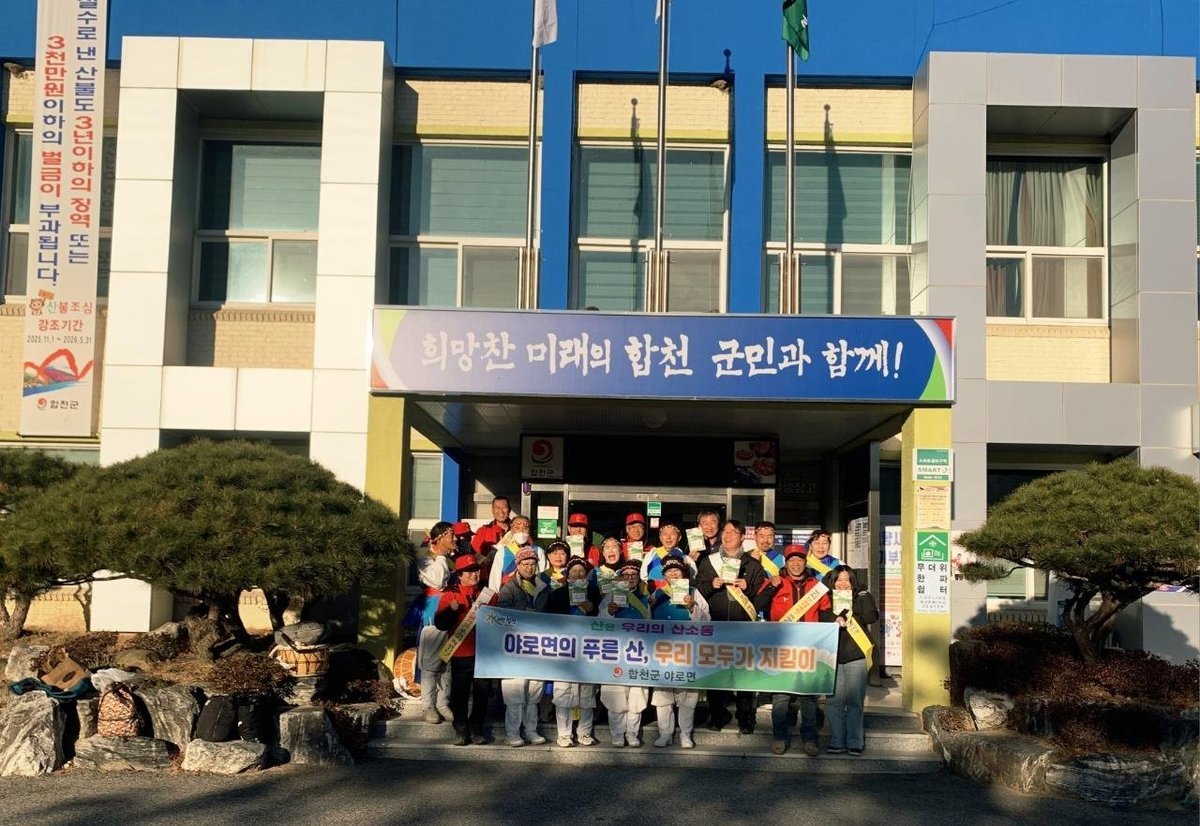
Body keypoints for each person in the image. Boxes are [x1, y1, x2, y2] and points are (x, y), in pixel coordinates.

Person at [695, 519, 771, 734]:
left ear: (742, 537)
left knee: (744, 673)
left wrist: (749, 587)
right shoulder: (709, 562)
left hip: (743, 627)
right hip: (716, 625)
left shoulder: (752, 564)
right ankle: (718, 714)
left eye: (733, 532)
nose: (727, 535)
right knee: (715, 672)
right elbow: (697, 589)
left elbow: (763, 597)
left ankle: (745, 717)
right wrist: (711, 585)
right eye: (725, 531)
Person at [767, 544, 832, 756]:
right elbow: (758, 605)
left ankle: (810, 738)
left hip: (809, 649)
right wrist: (770, 587)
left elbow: (826, 613)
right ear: (786, 563)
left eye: (800, 560)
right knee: (781, 697)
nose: (796, 564)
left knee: (808, 697)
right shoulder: (776, 582)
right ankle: (779, 736)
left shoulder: (817, 587)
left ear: (806, 562)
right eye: (792, 560)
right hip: (782, 649)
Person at [432, 554, 497, 745]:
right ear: (459, 575)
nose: (474, 574)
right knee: (459, 694)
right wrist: (451, 610)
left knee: (482, 694)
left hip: (485, 654)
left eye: (476, 570)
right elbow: (440, 624)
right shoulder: (450, 595)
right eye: (468, 572)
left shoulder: (489, 595)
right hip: (461, 653)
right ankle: (460, 729)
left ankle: (477, 728)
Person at [649, 556, 709, 748]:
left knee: (687, 696)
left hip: (687, 650)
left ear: (684, 574)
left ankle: (685, 734)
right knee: (663, 695)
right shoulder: (657, 594)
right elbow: (645, 619)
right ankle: (665, 733)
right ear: (664, 575)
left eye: (677, 570)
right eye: (669, 571)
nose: (673, 574)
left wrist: (692, 606)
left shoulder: (694, 592)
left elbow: (706, 620)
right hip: (662, 651)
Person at [819, 565, 878, 756]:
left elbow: (871, 617)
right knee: (834, 702)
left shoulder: (860, 597)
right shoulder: (825, 598)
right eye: (839, 579)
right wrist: (834, 618)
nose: (843, 583)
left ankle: (855, 741)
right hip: (832, 656)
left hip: (856, 655)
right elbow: (818, 617)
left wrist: (863, 594)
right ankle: (837, 740)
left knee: (855, 702)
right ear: (832, 582)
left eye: (847, 579)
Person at [496, 548, 551, 746]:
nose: (529, 567)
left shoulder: (545, 587)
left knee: (534, 693)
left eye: (532, 564)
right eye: (525, 564)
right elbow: (502, 610)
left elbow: (552, 613)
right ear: (517, 565)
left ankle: (531, 730)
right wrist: (525, 611)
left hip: (538, 647)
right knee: (515, 693)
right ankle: (512, 732)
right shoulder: (509, 586)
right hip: (515, 647)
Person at [546, 557, 602, 747]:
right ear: (567, 574)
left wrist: (591, 609)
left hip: (588, 650)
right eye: (574, 571)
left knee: (587, 693)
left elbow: (604, 619)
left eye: (581, 571)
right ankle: (564, 733)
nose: (578, 574)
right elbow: (550, 620)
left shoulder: (594, 592)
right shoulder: (558, 594)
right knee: (563, 692)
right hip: (564, 649)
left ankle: (584, 732)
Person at [597, 560, 652, 746]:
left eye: (633, 575)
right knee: (615, 696)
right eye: (626, 575)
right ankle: (617, 734)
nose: (629, 578)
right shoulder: (611, 597)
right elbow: (599, 621)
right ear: (620, 578)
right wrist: (609, 611)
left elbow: (653, 625)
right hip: (615, 653)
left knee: (637, 696)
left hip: (638, 653)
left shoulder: (645, 599)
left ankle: (632, 733)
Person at [415, 521, 455, 724]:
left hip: (450, 609)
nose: (455, 539)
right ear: (439, 538)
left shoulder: (448, 560)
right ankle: (428, 705)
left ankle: (443, 702)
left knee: (446, 661)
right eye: (451, 535)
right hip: (433, 611)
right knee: (431, 663)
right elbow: (438, 581)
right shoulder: (426, 560)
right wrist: (440, 557)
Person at [487, 514, 546, 592]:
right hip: (507, 594)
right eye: (517, 528)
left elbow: (543, 577)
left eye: (525, 528)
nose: (521, 531)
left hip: (532, 594)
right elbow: (495, 580)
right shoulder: (502, 552)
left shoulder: (538, 551)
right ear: (512, 530)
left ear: (529, 530)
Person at [640, 521, 697, 587]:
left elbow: (693, 581)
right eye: (665, 534)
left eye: (672, 533)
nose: (668, 537)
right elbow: (643, 577)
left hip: (678, 593)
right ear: (660, 537)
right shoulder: (651, 554)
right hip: (655, 592)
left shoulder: (687, 559)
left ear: (679, 537)